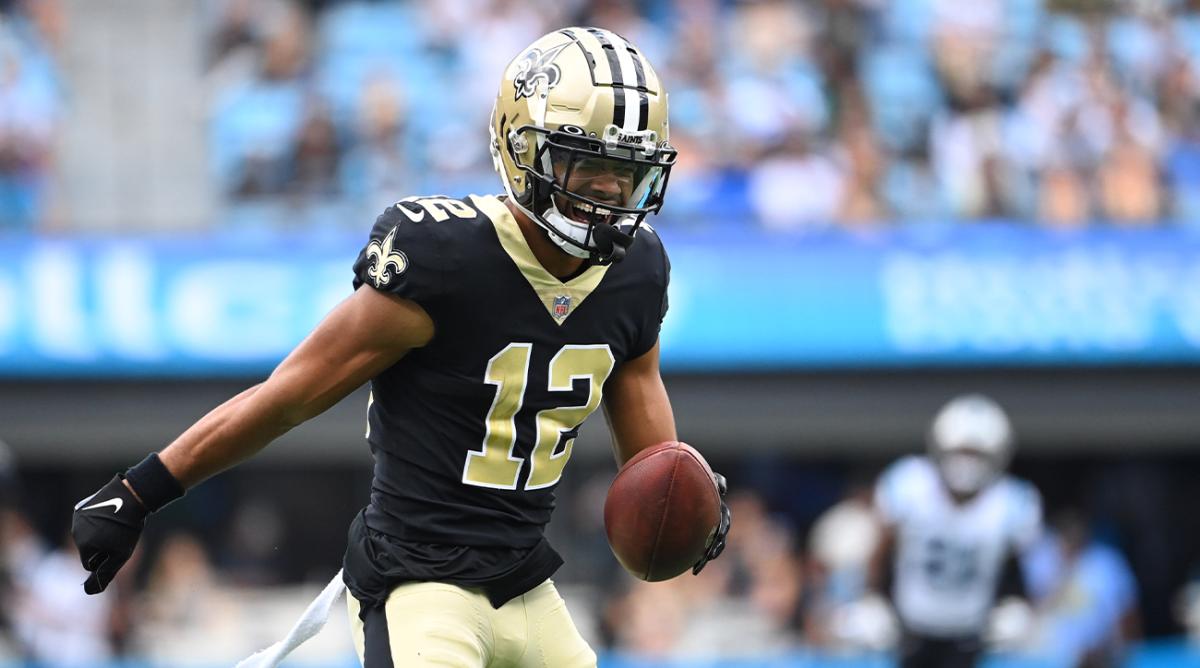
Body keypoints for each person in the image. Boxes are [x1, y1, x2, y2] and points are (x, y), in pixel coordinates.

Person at [70, 27, 730, 668]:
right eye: (587, 166)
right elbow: (288, 398)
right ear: (521, 146)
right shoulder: (444, 258)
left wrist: (689, 497)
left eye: (625, 172)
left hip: (524, 579)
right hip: (420, 585)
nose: (608, 195)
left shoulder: (637, 272)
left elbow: (653, 456)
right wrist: (141, 489)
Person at [870, 394, 1042, 668]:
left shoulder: (1013, 503)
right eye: (961, 452)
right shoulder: (910, 485)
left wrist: (1019, 605)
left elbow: (1025, 568)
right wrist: (873, 598)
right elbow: (881, 549)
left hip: (972, 634)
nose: (967, 464)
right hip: (910, 628)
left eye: (977, 454)